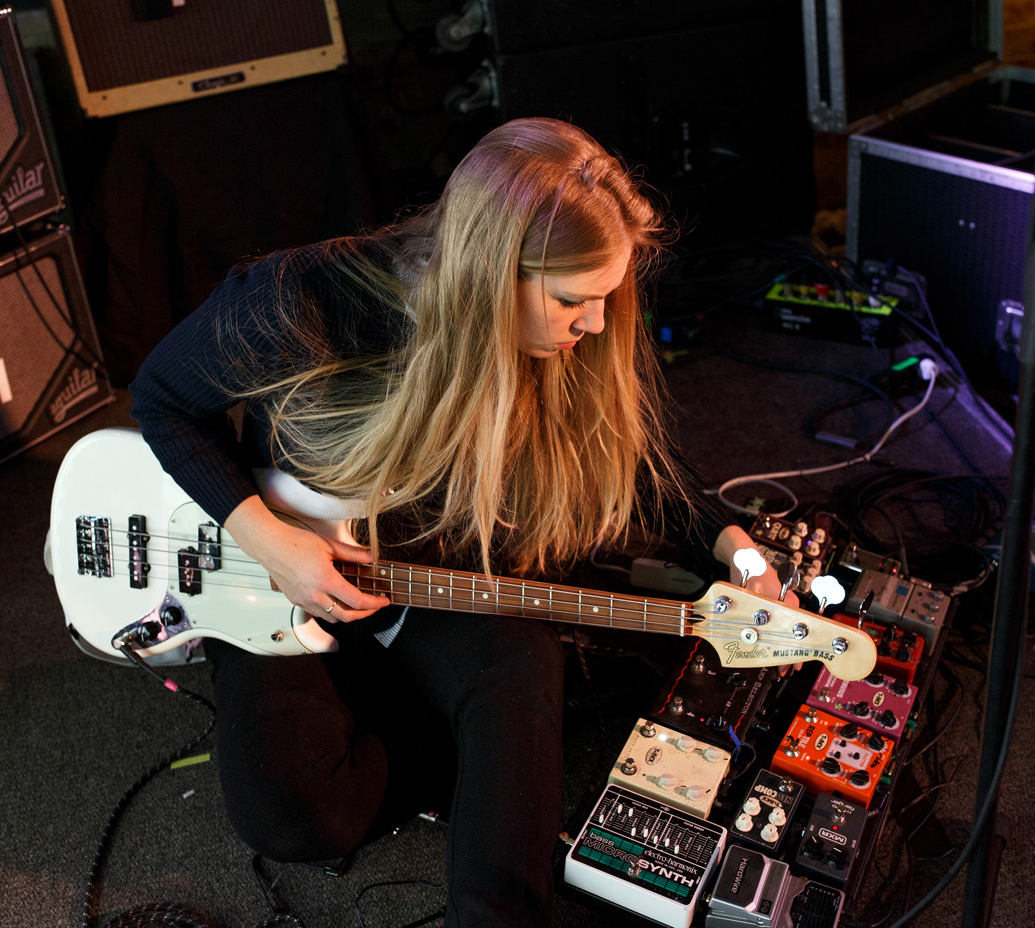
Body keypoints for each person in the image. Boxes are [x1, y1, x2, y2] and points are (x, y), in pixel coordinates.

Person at [129, 116, 783, 927]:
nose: (596, 324)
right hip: (277, 578)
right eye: (574, 300)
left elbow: (633, 466)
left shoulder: (558, 346)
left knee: (519, 662)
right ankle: (491, 741)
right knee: (295, 818)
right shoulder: (298, 301)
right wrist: (267, 537)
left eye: (606, 298)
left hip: (429, 578)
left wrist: (740, 551)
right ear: (489, 274)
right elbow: (160, 401)